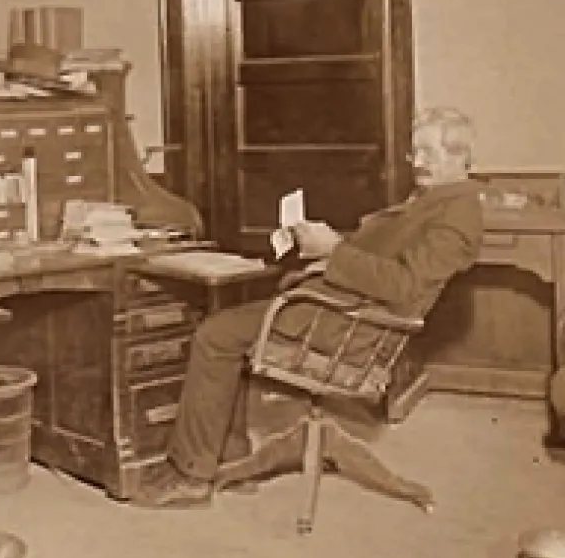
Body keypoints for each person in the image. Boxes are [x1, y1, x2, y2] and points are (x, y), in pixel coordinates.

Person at [133, 107, 487, 509]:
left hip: (351, 326)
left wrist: (334, 252)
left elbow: (404, 288)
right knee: (230, 322)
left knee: (215, 336)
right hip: (340, 302)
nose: (417, 163)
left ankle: (191, 475)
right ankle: (225, 457)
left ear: (460, 156)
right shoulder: (434, 200)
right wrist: (327, 247)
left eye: (428, 153)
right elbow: (385, 256)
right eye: (414, 153)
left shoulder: (458, 215)